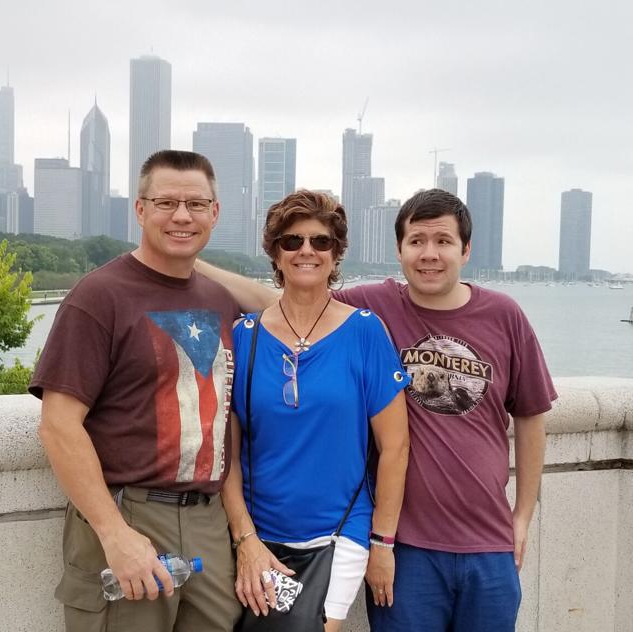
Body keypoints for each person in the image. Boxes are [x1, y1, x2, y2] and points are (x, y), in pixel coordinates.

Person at [197, 188, 556, 631]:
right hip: (406, 542)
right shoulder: (375, 306)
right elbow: (292, 299)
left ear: (466, 249)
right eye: (416, 241)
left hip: (485, 537)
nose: (430, 254)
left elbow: (531, 413)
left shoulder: (500, 315)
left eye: (443, 241)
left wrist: (522, 515)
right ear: (399, 250)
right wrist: (186, 256)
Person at [30, 150, 243, 632]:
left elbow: (295, 306)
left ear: (216, 212)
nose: (182, 216)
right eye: (166, 202)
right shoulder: (99, 296)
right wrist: (114, 534)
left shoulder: (220, 300)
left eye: (196, 204)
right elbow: (59, 426)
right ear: (140, 209)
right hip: (131, 512)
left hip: (208, 520)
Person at [221, 190, 410, 632]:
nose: (307, 250)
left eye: (320, 241)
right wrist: (244, 536)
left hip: (340, 529)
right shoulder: (243, 337)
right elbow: (226, 453)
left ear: (336, 252)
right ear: (275, 252)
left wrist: (383, 543)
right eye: (292, 241)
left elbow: (396, 447)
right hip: (261, 532)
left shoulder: (365, 332)